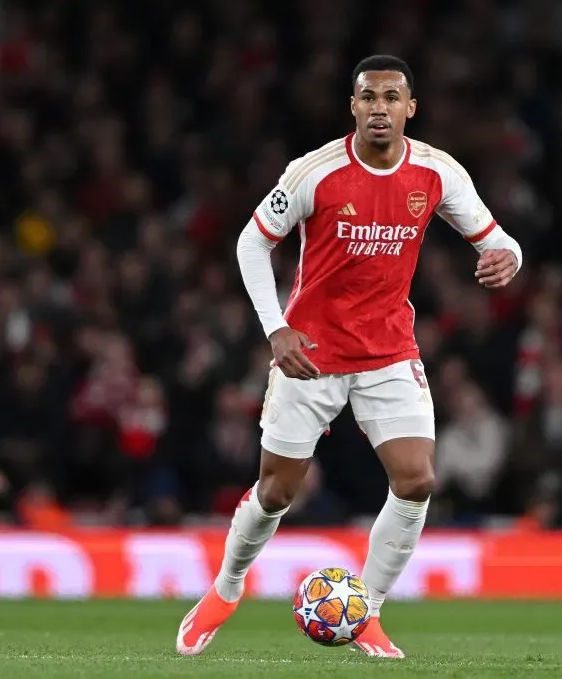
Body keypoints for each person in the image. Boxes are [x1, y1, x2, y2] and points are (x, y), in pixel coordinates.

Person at [175, 55, 523, 659]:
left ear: (410, 107)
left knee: (417, 481)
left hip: (389, 350)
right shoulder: (316, 173)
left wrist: (509, 256)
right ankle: (225, 590)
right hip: (310, 353)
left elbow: (497, 238)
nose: (380, 108)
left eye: (392, 97)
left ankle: (368, 613)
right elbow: (251, 242)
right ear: (354, 106)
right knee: (277, 491)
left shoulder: (438, 173)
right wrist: (276, 329)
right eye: (369, 98)